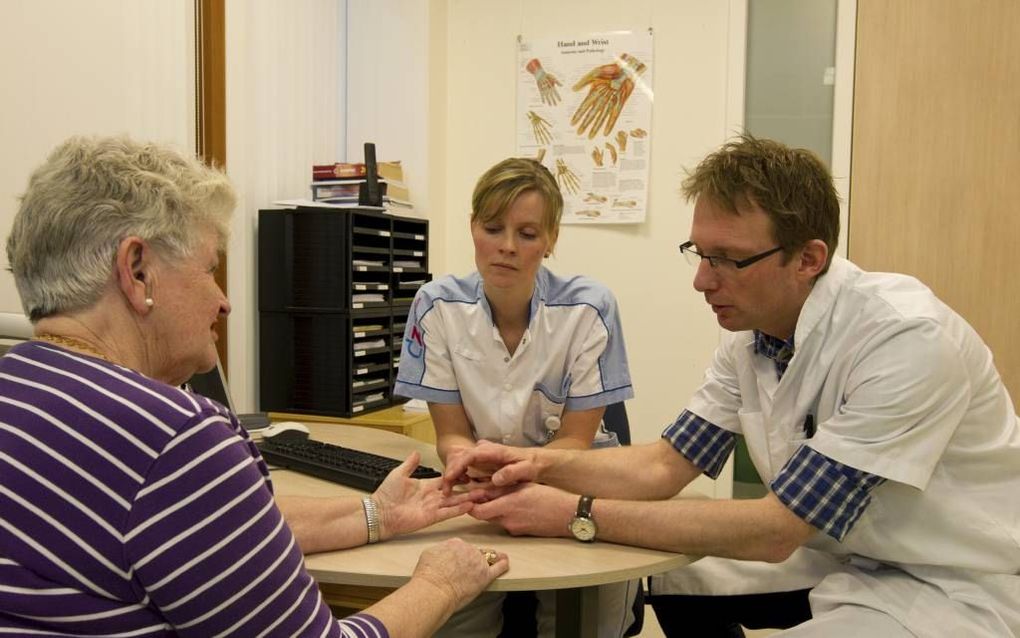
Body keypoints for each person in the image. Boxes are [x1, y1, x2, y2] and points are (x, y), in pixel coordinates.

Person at [442, 134, 1020, 637]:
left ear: (808, 259)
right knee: (666, 573)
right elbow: (664, 466)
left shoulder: (905, 340)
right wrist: (530, 464)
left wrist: (573, 512)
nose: (701, 280)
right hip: (841, 553)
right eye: (699, 252)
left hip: (950, 579)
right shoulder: (751, 334)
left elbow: (774, 531)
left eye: (728, 260)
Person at [0, 135, 508, 637]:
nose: (223, 302)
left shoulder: (18, 388)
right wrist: (441, 584)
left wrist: (380, 514)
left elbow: (211, 535)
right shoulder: (175, 438)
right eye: (210, 269)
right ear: (137, 271)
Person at [394, 157, 638, 637]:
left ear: (551, 240)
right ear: (472, 228)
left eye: (527, 234)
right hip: (481, 487)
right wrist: (471, 464)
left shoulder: (590, 309)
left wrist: (512, 470)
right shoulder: (436, 306)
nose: (506, 247)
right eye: (492, 228)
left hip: (575, 485)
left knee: (583, 623)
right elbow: (452, 435)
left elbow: (575, 442)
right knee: (450, 614)